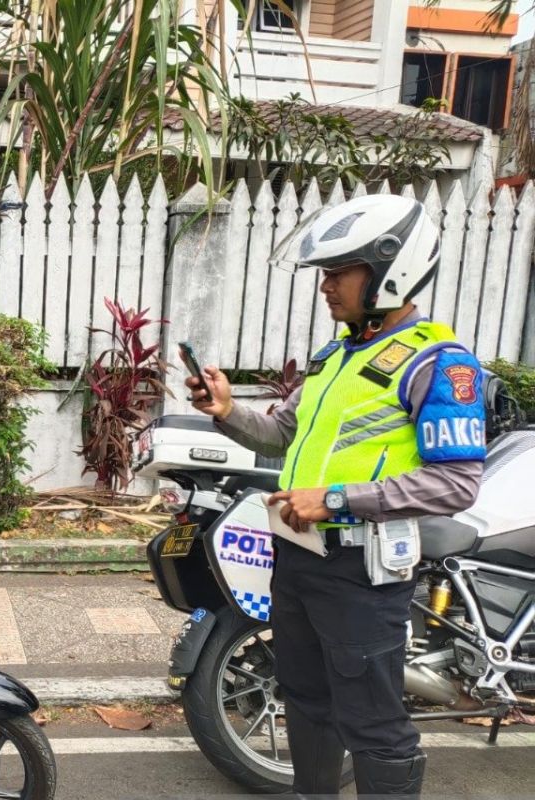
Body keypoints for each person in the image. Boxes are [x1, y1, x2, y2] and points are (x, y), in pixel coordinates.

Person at [186, 195, 486, 798]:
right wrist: (226, 411)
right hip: (299, 561)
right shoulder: (335, 359)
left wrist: (339, 499)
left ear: (389, 270)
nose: (326, 286)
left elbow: (456, 481)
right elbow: (280, 434)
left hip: (362, 571)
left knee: (373, 723)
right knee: (305, 700)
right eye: (325, 273)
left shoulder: (439, 364)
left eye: (338, 272)